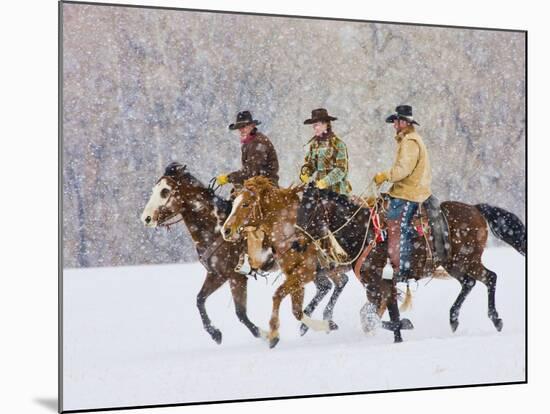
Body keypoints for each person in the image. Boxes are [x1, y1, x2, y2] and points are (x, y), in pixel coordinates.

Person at [216, 110, 279, 276]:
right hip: (254, 186)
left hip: (267, 187)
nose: (242, 130)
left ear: (252, 126)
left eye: (244, 127)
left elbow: (251, 172)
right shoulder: (250, 142)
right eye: (240, 128)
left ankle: (255, 259)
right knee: (235, 205)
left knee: (251, 218)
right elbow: (250, 174)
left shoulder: (259, 143)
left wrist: (228, 177)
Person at [373, 105, 432, 281]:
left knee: (397, 225)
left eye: (396, 121)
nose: (394, 125)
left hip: (410, 193)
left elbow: (403, 169)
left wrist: (386, 175)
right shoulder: (409, 140)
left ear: (404, 122)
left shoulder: (410, 141)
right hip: (405, 190)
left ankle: (403, 269)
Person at [300, 108, 352, 195]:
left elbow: (341, 169)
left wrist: (325, 182)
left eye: (317, 125)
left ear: (326, 124)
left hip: (338, 192)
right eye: (314, 126)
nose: (315, 128)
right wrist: (306, 173)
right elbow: (311, 165)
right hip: (319, 193)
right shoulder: (314, 145)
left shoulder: (338, 144)